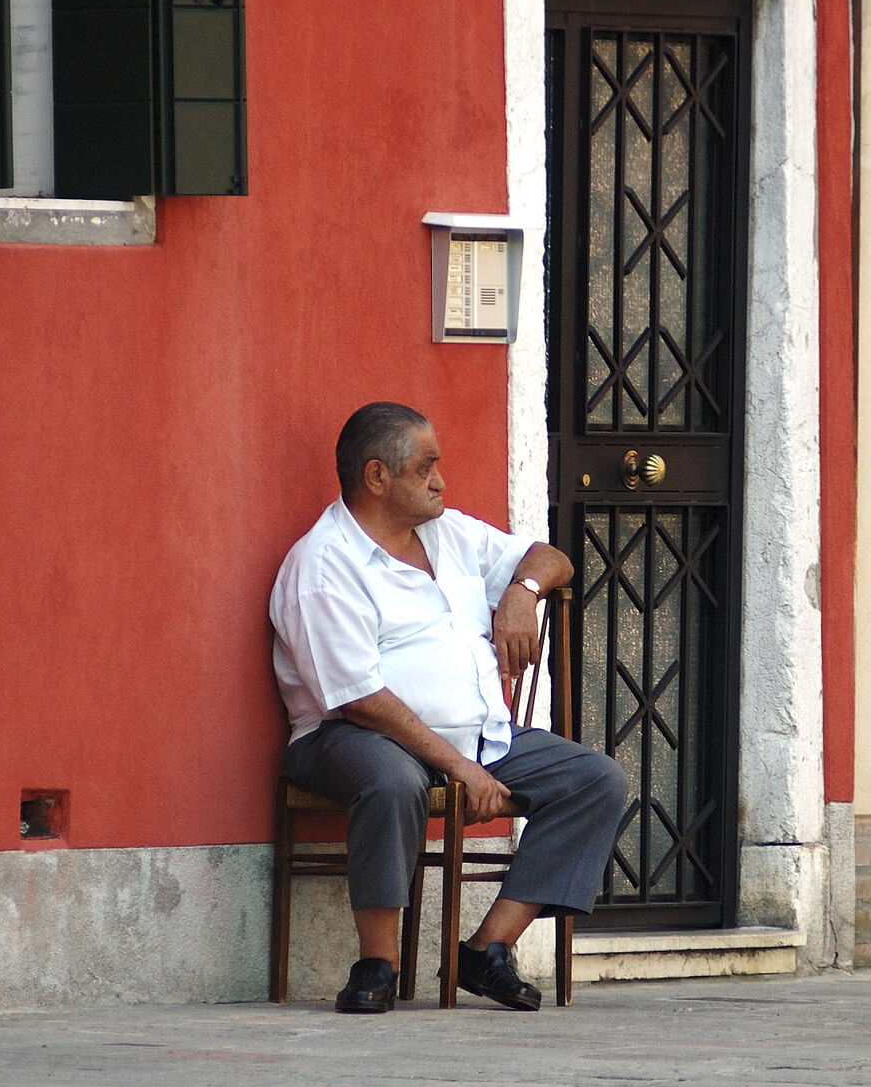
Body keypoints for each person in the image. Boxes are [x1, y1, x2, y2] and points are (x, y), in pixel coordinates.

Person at [270, 402, 629, 1014]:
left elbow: (552, 557)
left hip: (479, 735)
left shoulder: (450, 533)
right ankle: (377, 965)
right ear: (378, 476)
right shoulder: (324, 564)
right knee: (391, 781)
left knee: (596, 781)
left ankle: (486, 951)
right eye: (426, 468)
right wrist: (462, 769)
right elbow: (360, 700)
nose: (441, 481)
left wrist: (522, 592)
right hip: (350, 737)